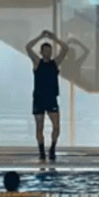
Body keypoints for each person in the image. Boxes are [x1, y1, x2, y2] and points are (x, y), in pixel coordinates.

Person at [26, 30, 69, 162]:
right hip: (39, 98)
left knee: (56, 127)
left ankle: (52, 149)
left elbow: (65, 49)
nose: (48, 53)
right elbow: (28, 47)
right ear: (41, 52)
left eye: (50, 50)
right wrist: (40, 36)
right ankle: (41, 151)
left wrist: (54, 38)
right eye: (45, 50)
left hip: (51, 98)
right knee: (40, 127)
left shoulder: (54, 63)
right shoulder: (37, 63)